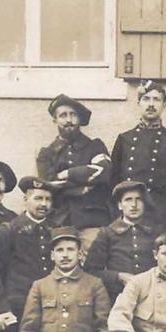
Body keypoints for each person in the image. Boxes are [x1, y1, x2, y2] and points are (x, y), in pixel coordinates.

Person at [110, 81, 166, 234]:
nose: (151, 104)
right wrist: (116, 217)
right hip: (126, 217)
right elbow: (113, 183)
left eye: (156, 100)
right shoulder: (124, 139)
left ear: (164, 105)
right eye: (146, 99)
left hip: (158, 218)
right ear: (138, 103)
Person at [36, 94, 112, 251]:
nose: (69, 120)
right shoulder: (46, 154)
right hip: (60, 221)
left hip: (92, 220)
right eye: (63, 115)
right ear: (55, 120)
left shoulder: (95, 146)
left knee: (94, 262)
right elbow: (49, 185)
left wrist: (65, 174)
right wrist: (83, 187)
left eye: (73, 115)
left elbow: (103, 172)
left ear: (80, 118)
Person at [0, 176, 56, 319]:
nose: (44, 204)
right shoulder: (9, 230)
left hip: (52, 300)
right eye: (38, 198)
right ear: (25, 200)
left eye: (48, 199)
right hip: (19, 301)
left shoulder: (56, 230)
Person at [83, 180, 157, 302]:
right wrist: (118, 277)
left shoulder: (154, 232)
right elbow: (91, 271)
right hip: (118, 296)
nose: (134, 205)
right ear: (120, 205)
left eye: (138, 199)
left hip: (151, 296)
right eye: (128, 200)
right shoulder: (107, 234)